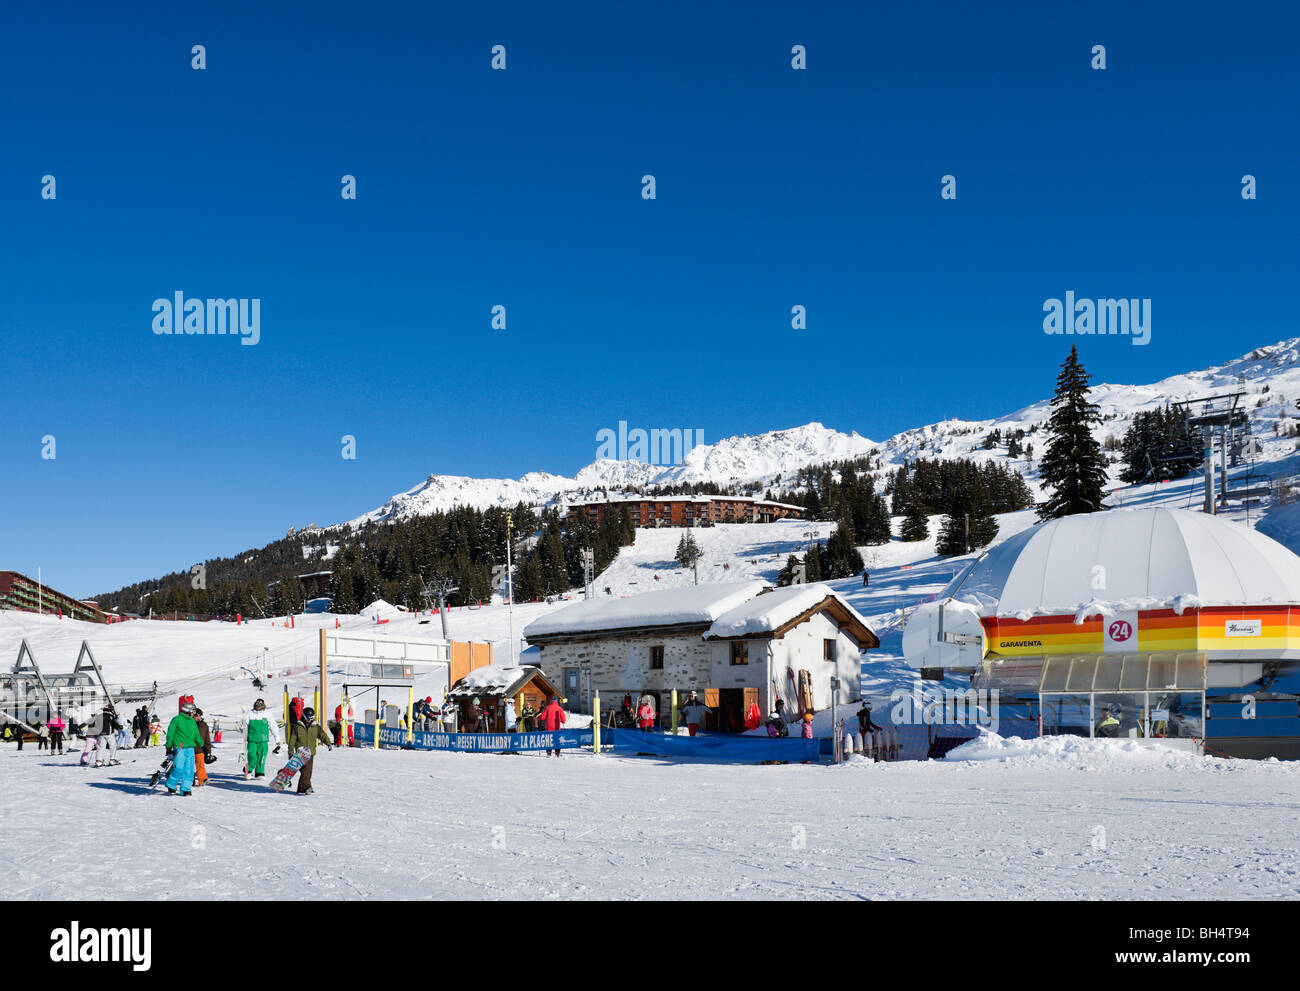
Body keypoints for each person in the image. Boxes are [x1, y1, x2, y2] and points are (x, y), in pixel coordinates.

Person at [287, 707, 332, 795]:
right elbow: (292, 740)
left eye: (311, 718)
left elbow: (322, 735)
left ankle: (301, 789)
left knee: (307, 771)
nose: (309, 720)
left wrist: (328, 743)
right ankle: (307, 787)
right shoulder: (297, 726)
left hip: (310, 752)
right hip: (300, 752)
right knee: (306, 770)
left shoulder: (315, 726)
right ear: (304, 716)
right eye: (308, 718)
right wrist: (290, 752)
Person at [164, 701, 203, 795]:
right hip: (179, 747)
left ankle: (186, 789)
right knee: (179, 768)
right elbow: (170, 733)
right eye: (193, 711)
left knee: (189, 769)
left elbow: (196, 734)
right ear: (188, 711)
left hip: (190, 747)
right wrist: (168, 746)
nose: (193, 713)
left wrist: (201, 743)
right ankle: (171, 784)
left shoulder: (192, 721)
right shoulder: (176, 719)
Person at [241, 698, 283, 777]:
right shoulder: (250, 713)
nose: (258, 705)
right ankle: (248, 770)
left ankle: (259, 772)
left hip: (263, 740)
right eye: (257, 703)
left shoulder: (267, 714)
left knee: (262, 757)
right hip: (252, 740)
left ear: (263, 705)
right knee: (252, 756)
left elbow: (273, 726)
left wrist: (277, 739)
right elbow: (243, 725)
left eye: (260, 704)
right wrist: (242, 726)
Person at [193, 708, 214, 786]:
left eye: (199, 716)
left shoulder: (204, 725)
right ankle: (190, 781)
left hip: (200, 749)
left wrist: (208, 751)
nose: (198, 717)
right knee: (189, 766)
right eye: (196, 716)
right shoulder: (189, 724)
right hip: (189, 748)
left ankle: (202, 780)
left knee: (200, 765)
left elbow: (207, 739)